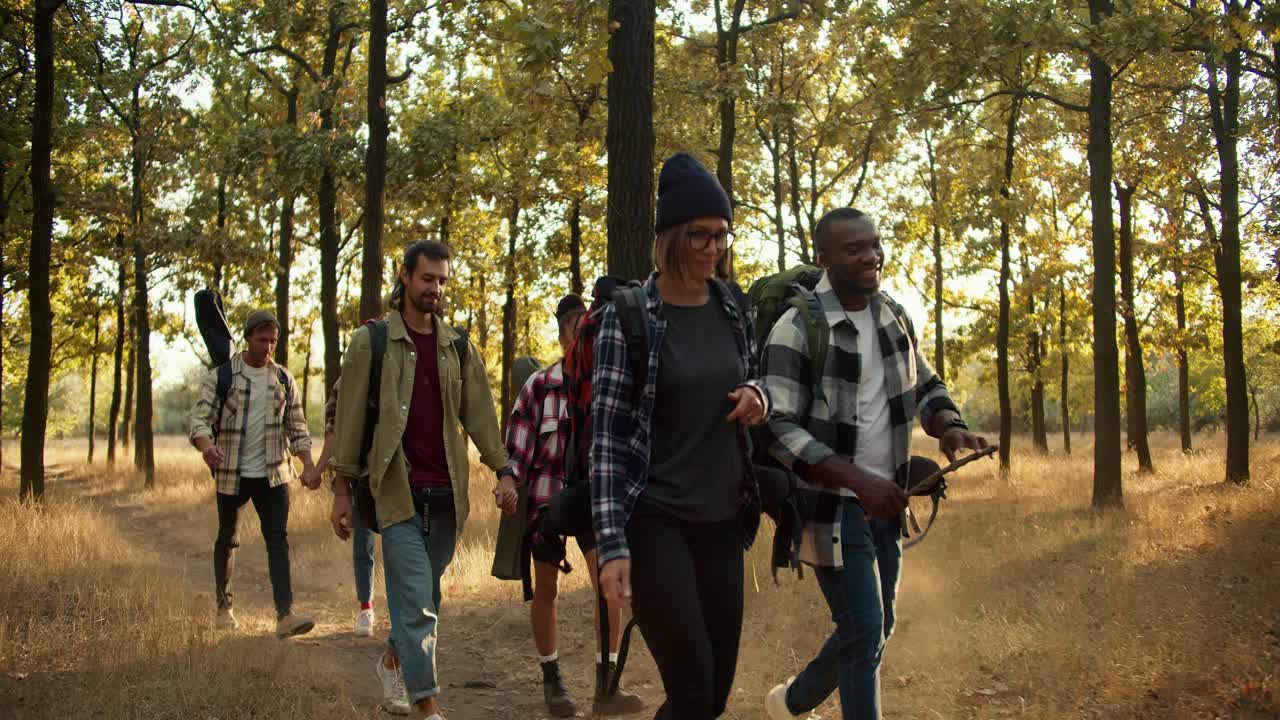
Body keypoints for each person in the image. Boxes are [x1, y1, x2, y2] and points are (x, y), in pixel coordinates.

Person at [759, 208, 988, 720]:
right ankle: (795, 702)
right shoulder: (796, 329)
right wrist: (857, 480)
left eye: (874, 244)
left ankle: (790, 702)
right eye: (854, 249)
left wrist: (949, 425)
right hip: (834, 507)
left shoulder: (892, 314)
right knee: (864, 633)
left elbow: (925, 385)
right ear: (824, 257)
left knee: (876, 627)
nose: (871, 256)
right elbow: (776, 428)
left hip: (889, 502)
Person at [593, 152, 771, 719]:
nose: (714, 249)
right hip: (656, 521)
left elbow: (761, 376)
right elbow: (607, 442)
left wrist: (759, 395)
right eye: (701, 236)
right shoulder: (629, 316)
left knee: (712, 696)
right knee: (692, 690)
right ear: (671, 235)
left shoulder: (734, 308)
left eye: (722, 236)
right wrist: (613, 548)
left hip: (722, 518)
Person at [329, 240, 513, 720]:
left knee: (424, 597)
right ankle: (427, 706)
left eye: (442, 280)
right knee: (416, 606)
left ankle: (392, 659)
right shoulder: (371, 342)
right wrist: (342, 489)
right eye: (427, 278)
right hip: (396, 496)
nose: (435, 288)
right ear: (405, 276)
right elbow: (349, 423)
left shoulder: (457, 347)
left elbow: (480, 416)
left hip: (447, 497)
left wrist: (503, 469)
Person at [498, 294, 646, 718]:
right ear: (566, 335)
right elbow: (518, 451)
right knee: (547, 590)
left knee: (610, 584)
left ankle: (607, 685)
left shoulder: (608, 384)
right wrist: (508, 482)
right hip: (546, 505)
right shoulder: (540, 386)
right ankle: (553, 680)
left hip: (592, 500)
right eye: (581, 333)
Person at [189, 309, 317, 638]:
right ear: (248, 338)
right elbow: (200, 421)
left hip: (274, 473)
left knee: (278, 541)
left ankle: (285, 616)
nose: (268, 347)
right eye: (262, 340)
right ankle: (223, 607)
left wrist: (308, 464)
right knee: (228, 539)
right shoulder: (222, 377)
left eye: (273, 341)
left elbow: (298, 427)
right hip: (232, 471)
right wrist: (207, 448)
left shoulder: (284, 379)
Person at [303, 377, 379, 638]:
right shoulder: (344, 382)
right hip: (357, 473)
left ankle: (405, 611)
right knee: (363, 544)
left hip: (396, 473)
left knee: (398, 544)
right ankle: (366, 608)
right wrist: (320, 469)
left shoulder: (400, 366)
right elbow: (333, 434)